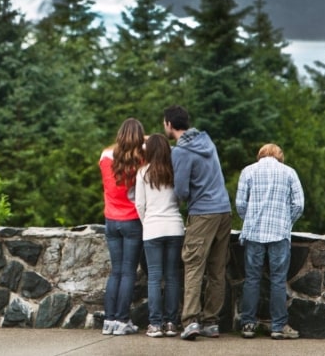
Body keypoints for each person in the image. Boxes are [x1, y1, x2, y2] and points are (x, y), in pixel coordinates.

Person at [163, 104, 232, 340]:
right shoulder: (207, 142)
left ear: (169, 125)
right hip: (224, 210)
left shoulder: (180, 152)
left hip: (203, 213)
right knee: (217, 269)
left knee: (193, 265)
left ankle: (191, 320)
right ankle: (212, 322)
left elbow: (181, 190)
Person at [236, 143, 305, 340]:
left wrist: (249, 218)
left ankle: (248, 324)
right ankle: (278, 326)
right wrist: (286, 220)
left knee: (252, 279)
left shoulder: (248, 171)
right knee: (277, 280)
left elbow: (241, 204)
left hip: (253, 233)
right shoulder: (289, 172)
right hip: (279, 232)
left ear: (260, 155)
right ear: (279, 156)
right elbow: (299, 204)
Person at [134, 132, 185, 338]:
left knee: (154, 277)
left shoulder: (143, 173)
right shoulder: (175, 172)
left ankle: (155, 324)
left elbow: (139, 204)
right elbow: (181, 198)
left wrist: (147, 223)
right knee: (172, 276)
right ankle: (171, 323)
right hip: (174, 227)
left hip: (153, 228)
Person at [99, 117, 146, 336]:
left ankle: (108, 321)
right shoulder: (141, 159)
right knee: (128, 272)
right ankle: (122, 320)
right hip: (132, 220)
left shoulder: (106, 157)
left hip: (111, 220)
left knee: (115, 272)